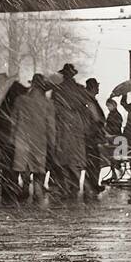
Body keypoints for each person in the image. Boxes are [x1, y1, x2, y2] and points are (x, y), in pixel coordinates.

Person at [51, 64, 91, 202]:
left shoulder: (58, 90)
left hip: (62, 126)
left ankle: (64, 187)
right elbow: (86, 108)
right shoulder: (80, 90)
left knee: (63, 158)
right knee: (75, 158)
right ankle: (73, 186)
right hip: (76, 126)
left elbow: (53, 109)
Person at [13, 75, 54, 206]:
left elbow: (14, 120)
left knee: (24, 165)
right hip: (39, 139)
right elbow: (51, 125)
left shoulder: (20, 100)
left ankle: (25, 187)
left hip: (22, 137)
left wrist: (12, 136)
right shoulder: (47, 103)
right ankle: (37, 190)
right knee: (38, 166)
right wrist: (52, 141)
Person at [82, 78, 108, 198]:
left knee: (92, 161)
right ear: (92, 87)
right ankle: (91, 185)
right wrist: (100, 125)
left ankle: (91, 185)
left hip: (91, 135)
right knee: (93, 161)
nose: (98, 88)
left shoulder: (88, 100)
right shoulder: (90, 101)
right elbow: (96, 118)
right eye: (97, 86)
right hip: (91, 136)